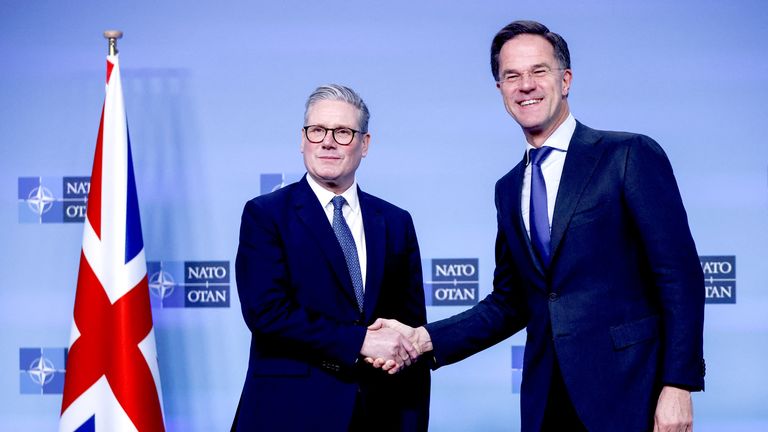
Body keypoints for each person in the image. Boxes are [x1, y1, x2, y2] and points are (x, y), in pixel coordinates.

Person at [370, 20, 705, 432]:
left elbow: (679, 276)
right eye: (512, 75)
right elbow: (510, 302)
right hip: (547, 400)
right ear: (500, 91)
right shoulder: (508, 188)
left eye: (538, 71)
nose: (525, 84)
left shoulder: (628, 155)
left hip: (632, 393)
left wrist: (678, 385)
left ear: (565, 80)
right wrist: (423, 339)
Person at [232, 84, 430, 431]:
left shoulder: (396, 221)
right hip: (287, 414)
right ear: (303, 139)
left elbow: (407, 330)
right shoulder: (266, 215)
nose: (327, 141)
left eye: (342, 132)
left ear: (364, 144)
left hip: (378, 413)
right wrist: (361, 340)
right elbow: (267, 313)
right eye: (317, 130)